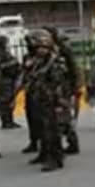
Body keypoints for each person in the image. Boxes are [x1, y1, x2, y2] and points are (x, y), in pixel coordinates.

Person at [27, 29, 69, 172]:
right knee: (42, 130)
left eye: (42, 47)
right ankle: (44, 154)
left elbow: (59, 85)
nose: (39, 50)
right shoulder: (39, 62)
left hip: (52, 101)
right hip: (41, 100)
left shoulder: (55, 63)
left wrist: (59, 104)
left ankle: (55, 158)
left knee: (52, 131)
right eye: (37, 47)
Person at [47, 27, 81, 155]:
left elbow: (74, 69)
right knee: (60, 118)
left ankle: (69, 143)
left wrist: (76, 86)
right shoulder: (48, 51)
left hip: (64, 88)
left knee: (63, 118)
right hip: (52, 88)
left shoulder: (63, 50)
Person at [19, 34, 43, 156]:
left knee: (41, 119)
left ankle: (44, 144)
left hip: (41, 92)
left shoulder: (43, 58)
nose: (29, 46)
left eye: (31, 44)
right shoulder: (26, 57)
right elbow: (23, 74)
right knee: (31, 117)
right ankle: (33, 141)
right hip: (30, 91)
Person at [0, 36, 21, 129]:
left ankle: (10, 120)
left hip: (10, 79)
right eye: (6, 42)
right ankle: (5, 121)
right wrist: (12, 63)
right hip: (3, 80)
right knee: (4, 101)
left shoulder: (7, 53)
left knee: (10, 100)